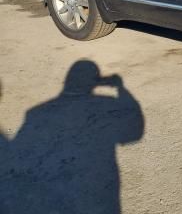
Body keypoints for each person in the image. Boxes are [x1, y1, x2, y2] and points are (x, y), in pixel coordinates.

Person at [1, 61, 144, 214]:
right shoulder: (107, 104)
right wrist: (121, 88)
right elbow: (134, 133)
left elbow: (19, 156)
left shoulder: (36, 112)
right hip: (96, 197)